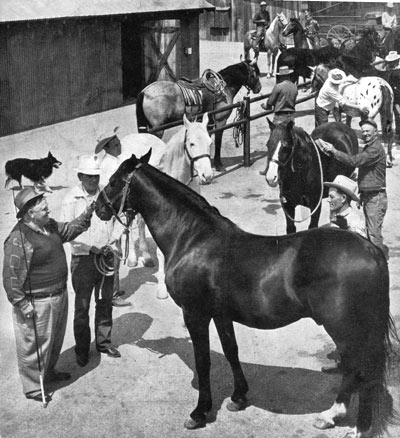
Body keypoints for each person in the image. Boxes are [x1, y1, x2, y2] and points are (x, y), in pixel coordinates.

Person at [3, 187, 95, 402]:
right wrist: (22, 304)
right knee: (34, 346)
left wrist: (88, 212)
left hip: (59, 295)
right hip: (37, 302)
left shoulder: (49, 226)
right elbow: (11, 277)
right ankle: (34, 387)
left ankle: (49, 373)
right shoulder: (18, 238)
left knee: (53, 342)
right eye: (43, 209)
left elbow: (71, 229)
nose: (48, 210)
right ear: (29, 214)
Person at [61, 155, 123, 367]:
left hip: (106, 256)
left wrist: (113, 241)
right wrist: (91, 247)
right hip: (83, 260)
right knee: (82, 306)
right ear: (80, 176)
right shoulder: (71, 199)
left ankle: (104, 342)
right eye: (88, 177)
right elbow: (68, 232)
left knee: (105, 302)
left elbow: (118, 220)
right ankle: (81, 349)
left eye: (96, 177)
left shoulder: (107, 194)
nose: (93, 181)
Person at [316, 119, 389, 260]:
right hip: (370, 196)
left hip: (375, 197)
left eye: (368, 131)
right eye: (363, 132)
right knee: (371, 233)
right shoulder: (370, 148)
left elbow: (355, 161)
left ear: (376, 133)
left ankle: (380, 265)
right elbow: (368, 173)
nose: (365, 134)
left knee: (374, 235)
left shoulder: (375, 149)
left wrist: (334, 151)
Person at [95, 128, 132, 308]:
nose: (120, 146)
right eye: (116, 144)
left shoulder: (113, 161)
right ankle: (113, 294)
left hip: (114, 210)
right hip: (110, 213)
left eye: (119, 143)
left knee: (115, 250)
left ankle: (114, 288)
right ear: (108, 147)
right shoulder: (109, 165)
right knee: (113, 251)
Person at [260, 66, 298, 175]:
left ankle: (268, 168)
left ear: (281, 76)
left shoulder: (278, 87)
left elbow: (270, 102)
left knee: (273, 144)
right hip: (290, 117)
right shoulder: (294, 87)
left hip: (279, 117)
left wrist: (265, 106)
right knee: (289, 142)